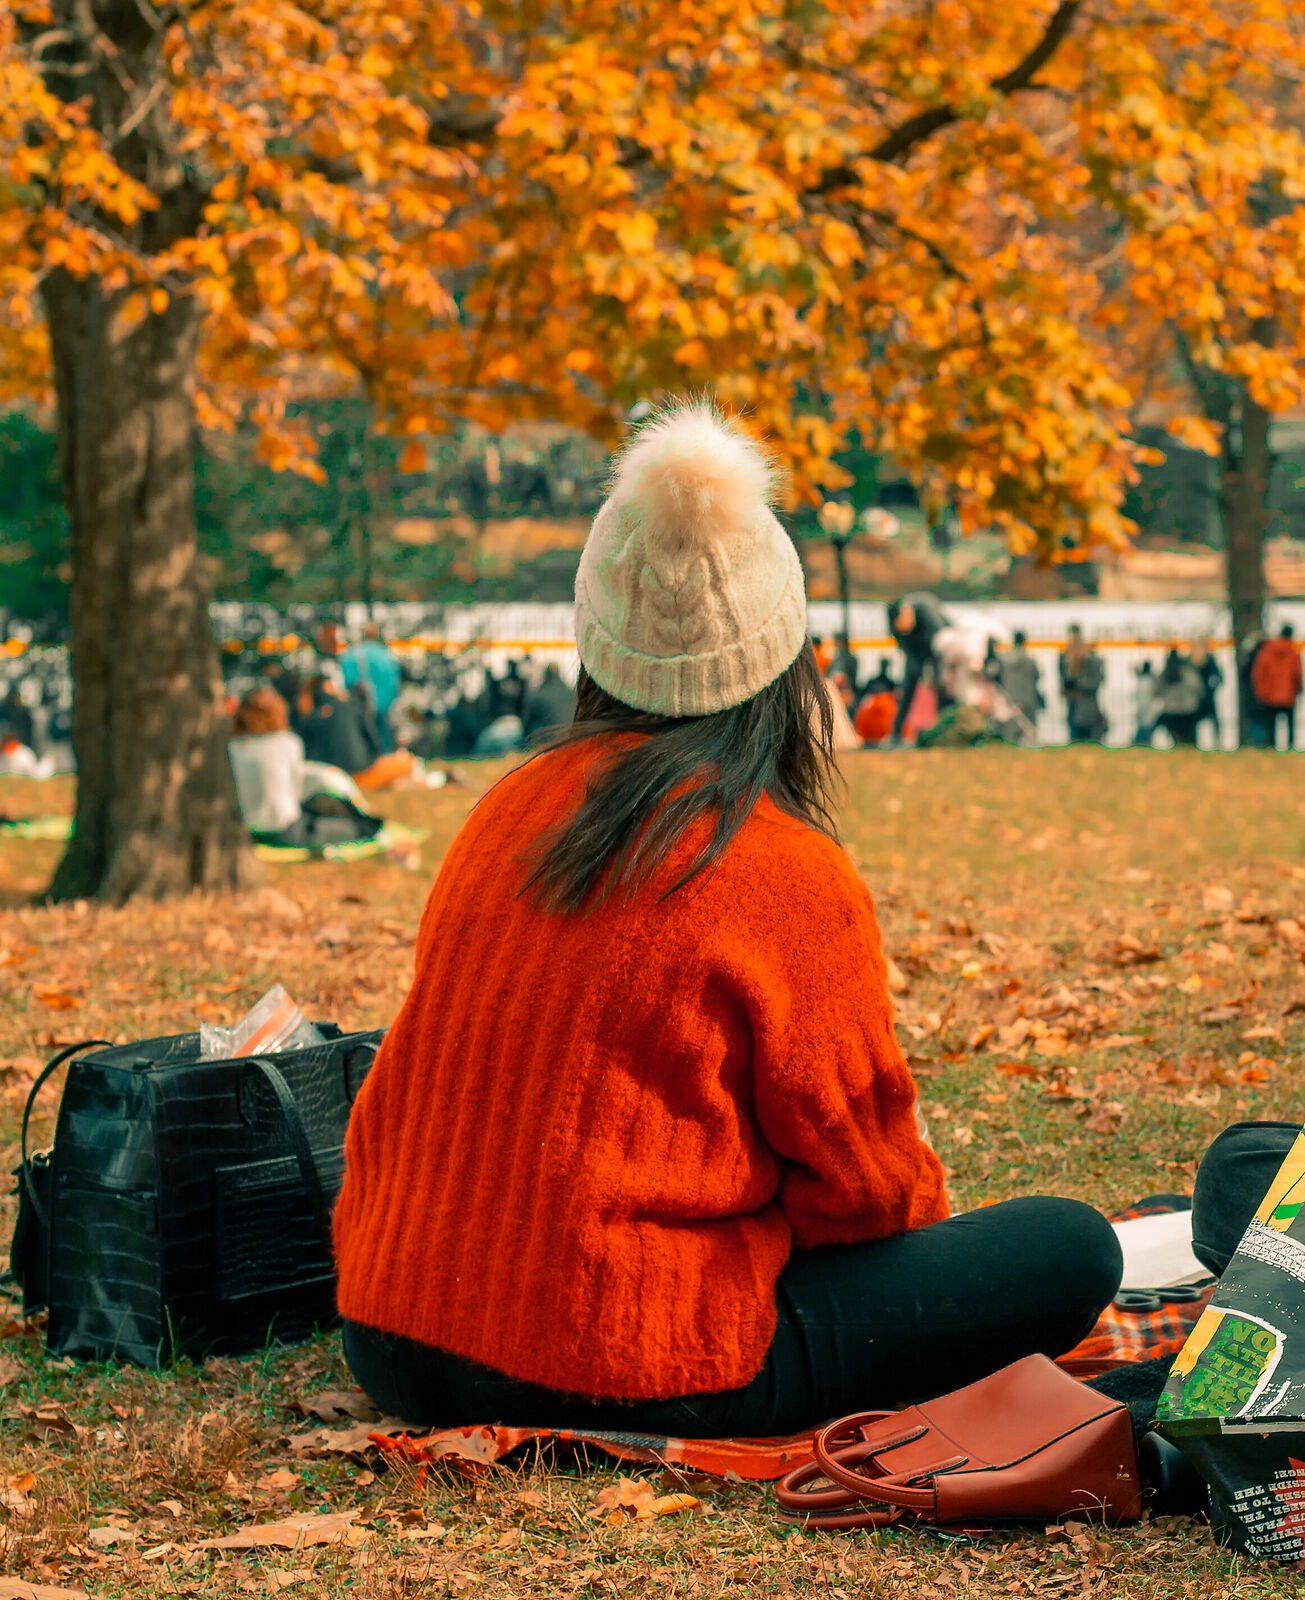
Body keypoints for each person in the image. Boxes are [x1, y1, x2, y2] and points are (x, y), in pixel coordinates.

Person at [335, 404, 1119, 1433]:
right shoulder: (784, 869)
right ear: (786, 656)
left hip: (394, 1326)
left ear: (595, 640)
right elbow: (867, 1197)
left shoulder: (505, 807)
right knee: (1074, 1247)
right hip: (614, 1348)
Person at [228, 687, 383, 848]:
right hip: (283, 831)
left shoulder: (231, 746)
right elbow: (295, 793)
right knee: (366, 826)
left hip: (244, 830)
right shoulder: (288, 742)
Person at [886, 591, 952, 746]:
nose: (903, 629)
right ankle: (896, 732)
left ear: (907, 613)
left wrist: (933, 676)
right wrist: (920, 673)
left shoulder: (926, 611)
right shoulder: (894, 624)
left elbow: (940, 647)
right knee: (908, 686)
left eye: (904, 624)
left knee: (941, 685)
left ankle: (943, 729)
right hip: (916, 651)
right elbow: (907, 651)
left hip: (939, 648)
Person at [296, 668, 379, 775]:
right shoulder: (351, 705)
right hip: (360, 764)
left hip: (327, 769)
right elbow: (374, 740)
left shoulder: (311, 714)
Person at [347, 624, 404, 753]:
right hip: (383, 707)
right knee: (384, 743)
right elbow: (395, 684)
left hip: (360, 709)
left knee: (364, 745)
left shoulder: (352, 654)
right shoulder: (387, 655)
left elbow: (347, 682)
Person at [1249, 625, 1303, 749]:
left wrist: (1261, 692)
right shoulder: (1294, 651)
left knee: (1271, 724)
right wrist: (1297, 689)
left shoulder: (1266, 650)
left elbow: (1258, 673)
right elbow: (1297, 674)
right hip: (1288, 694)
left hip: (1270, 695)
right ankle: (1290, 745)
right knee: (1290, 724)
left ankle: (1271, 746)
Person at [1062, 625, 1108, 743]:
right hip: (1073, 705)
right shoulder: (1065, 657)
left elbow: (1096, 681)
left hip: (1086, 707)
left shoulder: (1091, 661)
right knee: (1075, 737)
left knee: (1087, 738)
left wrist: (1078, 683)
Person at [997, 631, 1044, 734]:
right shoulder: (1030, 660)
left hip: (1009, 697)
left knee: (1011, 730)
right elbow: (1037, 676)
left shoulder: (1004, 659)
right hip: (1028, 698)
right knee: (1029, 731)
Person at [520, 663, 577, 743]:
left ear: (545, 674)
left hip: (553, 742)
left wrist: (525, 740)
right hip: (574, 738)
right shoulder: (571, 692)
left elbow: (526, 721)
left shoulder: (540, 694)